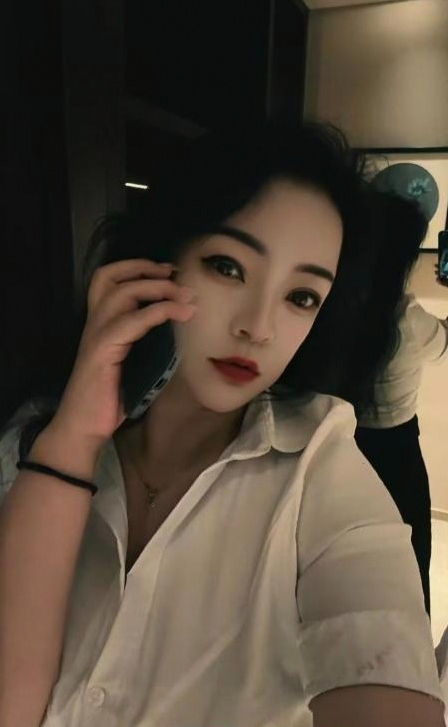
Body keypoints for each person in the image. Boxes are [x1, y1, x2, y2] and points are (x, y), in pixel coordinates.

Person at [0, 124, 446, 727]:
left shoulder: (321, 472)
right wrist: (74, 437)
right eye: (228, 267)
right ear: (157, 263)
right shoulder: (34, 439)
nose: (258, 327)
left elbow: (381, 667)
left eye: (301, 297)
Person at [354, 194, 448, 619]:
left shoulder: (338, 306)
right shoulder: (406, 315)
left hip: (344, 443)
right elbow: (444, 347)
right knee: (412, 559)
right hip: (397, 451)